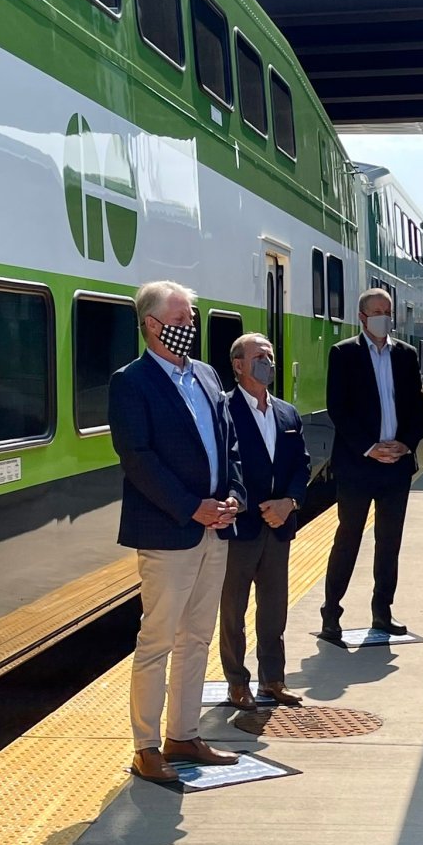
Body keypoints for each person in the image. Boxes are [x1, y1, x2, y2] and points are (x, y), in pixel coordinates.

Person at [108, 280, 245, 784]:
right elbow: (137, 460)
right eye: (181, 319)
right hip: (170, 533)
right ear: (151, 324)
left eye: (192, 317)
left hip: (215, 530)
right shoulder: (131, 382)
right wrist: (193, 509)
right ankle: (146, 747)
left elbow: (230, 446)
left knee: (197, 638)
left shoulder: (207, 376)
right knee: (157, 640)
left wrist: (234, 496)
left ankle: (183, 734)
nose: (190, 326)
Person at [320, 288, 423, 644]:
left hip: (396, 465)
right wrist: (369, 448)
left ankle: (383, 610)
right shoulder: (343, 353)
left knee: (389, 541)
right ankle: (331, 613)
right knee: (347, 538)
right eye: (377, 312)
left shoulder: (406, 355)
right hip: (357, 465)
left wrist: (405, 444)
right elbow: (339, 408)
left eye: (388, 311)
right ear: (362, 318)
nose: (385, 317)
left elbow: (416, 406)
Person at [219, 333, 311, 709]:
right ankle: (236, 681)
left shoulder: (287, 413)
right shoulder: (221, 409)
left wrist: (289, 503)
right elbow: (224, 464)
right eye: (259, 356)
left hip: (279, 526)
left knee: (274, 607)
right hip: (241, 528)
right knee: (233, 610)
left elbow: (301, 465)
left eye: (270, 356)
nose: (267, 362)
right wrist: (250, 504)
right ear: (238, 365)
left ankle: (273, 679)